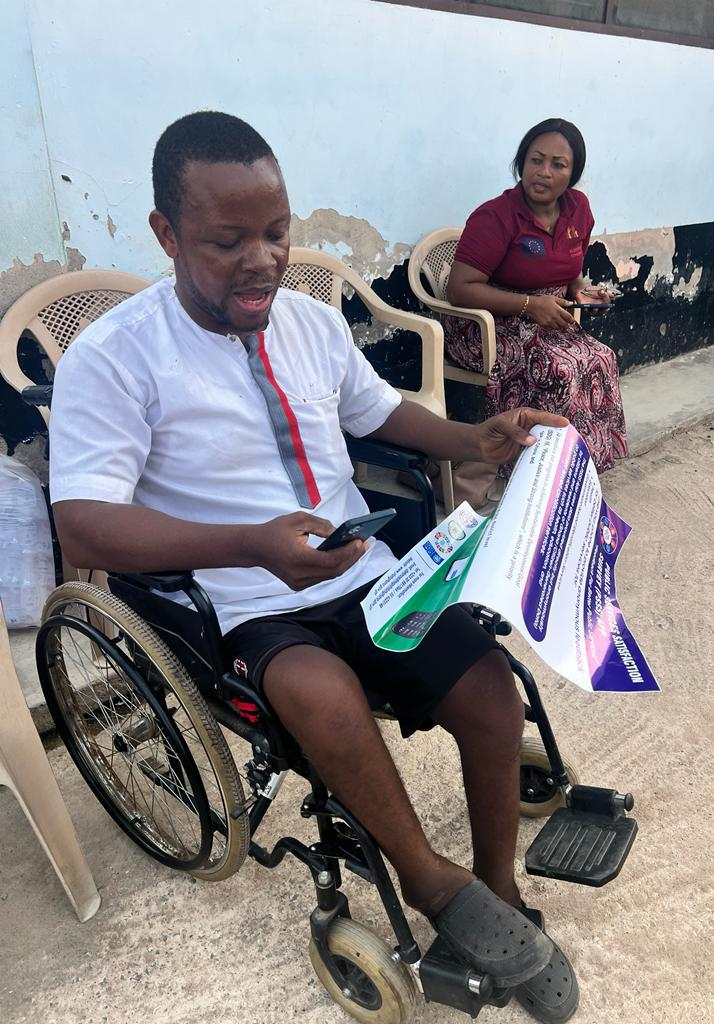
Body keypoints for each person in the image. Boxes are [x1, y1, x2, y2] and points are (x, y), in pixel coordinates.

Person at [48, 112, 577, 1022]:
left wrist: (476, 436)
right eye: (227, 241)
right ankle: (431, 883)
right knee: (323, 697)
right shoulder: (116, 356)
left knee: (492, 691)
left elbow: (377, 414)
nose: (262, 260)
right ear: (166, 233)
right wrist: (249, 544)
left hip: (365, 570)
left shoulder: (310, 323)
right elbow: (85, 526)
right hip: (241, 597)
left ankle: (498, 893)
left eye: (277, 232)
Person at [446, 117, 628, 478]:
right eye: (535, 160)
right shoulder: (495, 217)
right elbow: (459, 289)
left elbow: (568, 267)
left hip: (547, 321)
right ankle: (534, 472)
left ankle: (577, 467)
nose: (543, 172)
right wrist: (530, 305)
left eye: (558, 165)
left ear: (572, 173)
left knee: (602, 357)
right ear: (521, 162)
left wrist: (581, 290)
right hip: (487, 323)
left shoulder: (578, 209)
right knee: (561, 367)